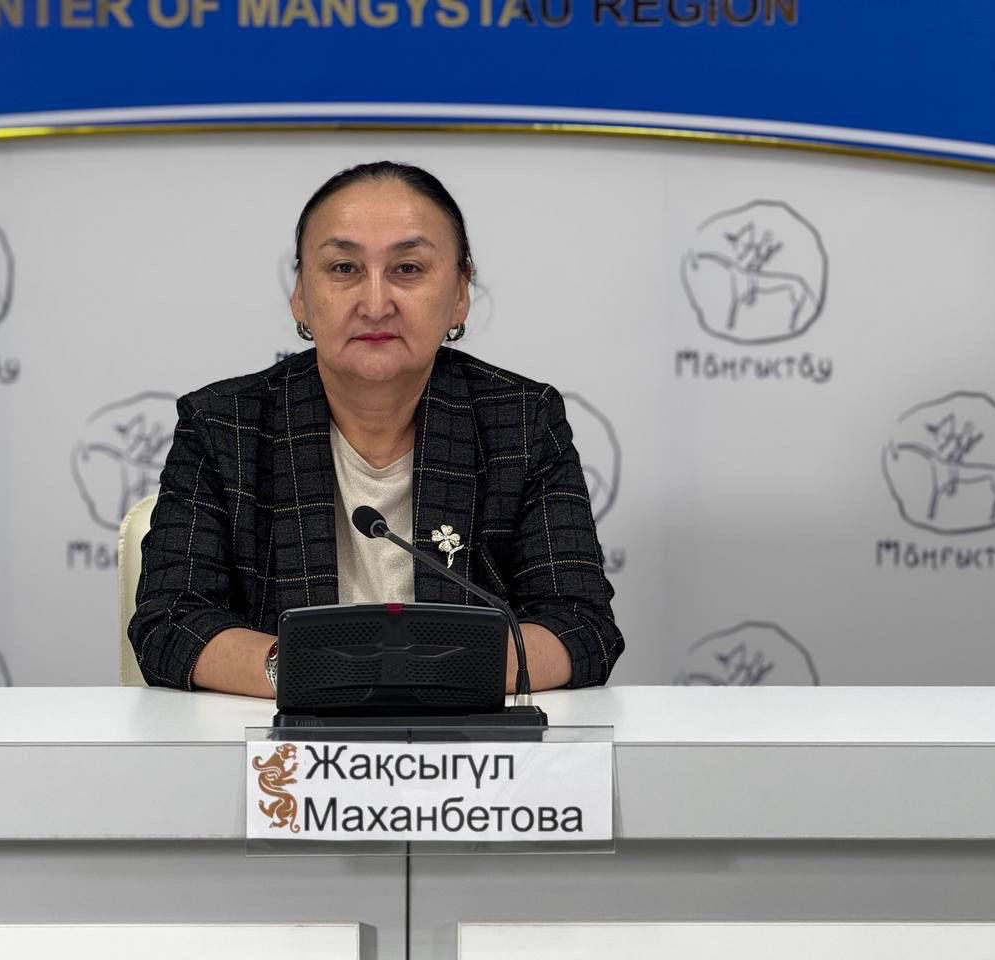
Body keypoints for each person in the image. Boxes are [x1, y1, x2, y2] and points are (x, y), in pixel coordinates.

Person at [128, 161, 624, 698]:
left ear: (460, 292)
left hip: (469, 741)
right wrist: (311, 672)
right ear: (300, 295)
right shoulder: (223, 426)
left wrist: (419, 673)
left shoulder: (520, 421)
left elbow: (580, 625)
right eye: (344, 268)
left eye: (407, 268)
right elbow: (170, 622)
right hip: (283, 743)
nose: (375, 304)